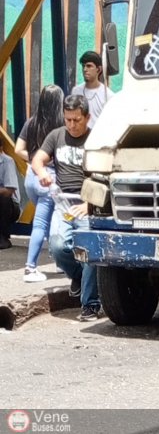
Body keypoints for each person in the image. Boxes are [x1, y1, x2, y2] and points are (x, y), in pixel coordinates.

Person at [31, 94, 100, 321]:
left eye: (76, 120)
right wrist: (42, 174)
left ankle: (90, 304)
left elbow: (104, 178)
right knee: (58, 245)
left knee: (89, 252)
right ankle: (77, 275)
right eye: (68, 119)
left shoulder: (96, 140)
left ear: (87, 117)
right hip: (63, 203)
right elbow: (38, 160)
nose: (71, 125)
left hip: (88, 203)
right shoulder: (56, 135)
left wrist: (89, 204)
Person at [15, 85, 65, 281]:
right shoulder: (61, 125)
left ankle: (59, 263)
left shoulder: (31, 122)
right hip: (49, 179)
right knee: (46, 223)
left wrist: (36, 159)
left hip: (31, 177)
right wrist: (47, 161)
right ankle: (30, 268)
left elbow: (19, 149)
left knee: (46, 220)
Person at [71, 50, 114, 127]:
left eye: (89, 66)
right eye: (83, 66)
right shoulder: (76, 91)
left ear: (99, 69)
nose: (85, 69)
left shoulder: (108, 95)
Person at [0, 150, 21, 250]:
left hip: (10, 206)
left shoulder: (7, 161)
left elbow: (9, 190)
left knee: (4, 198)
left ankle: (3, 238)